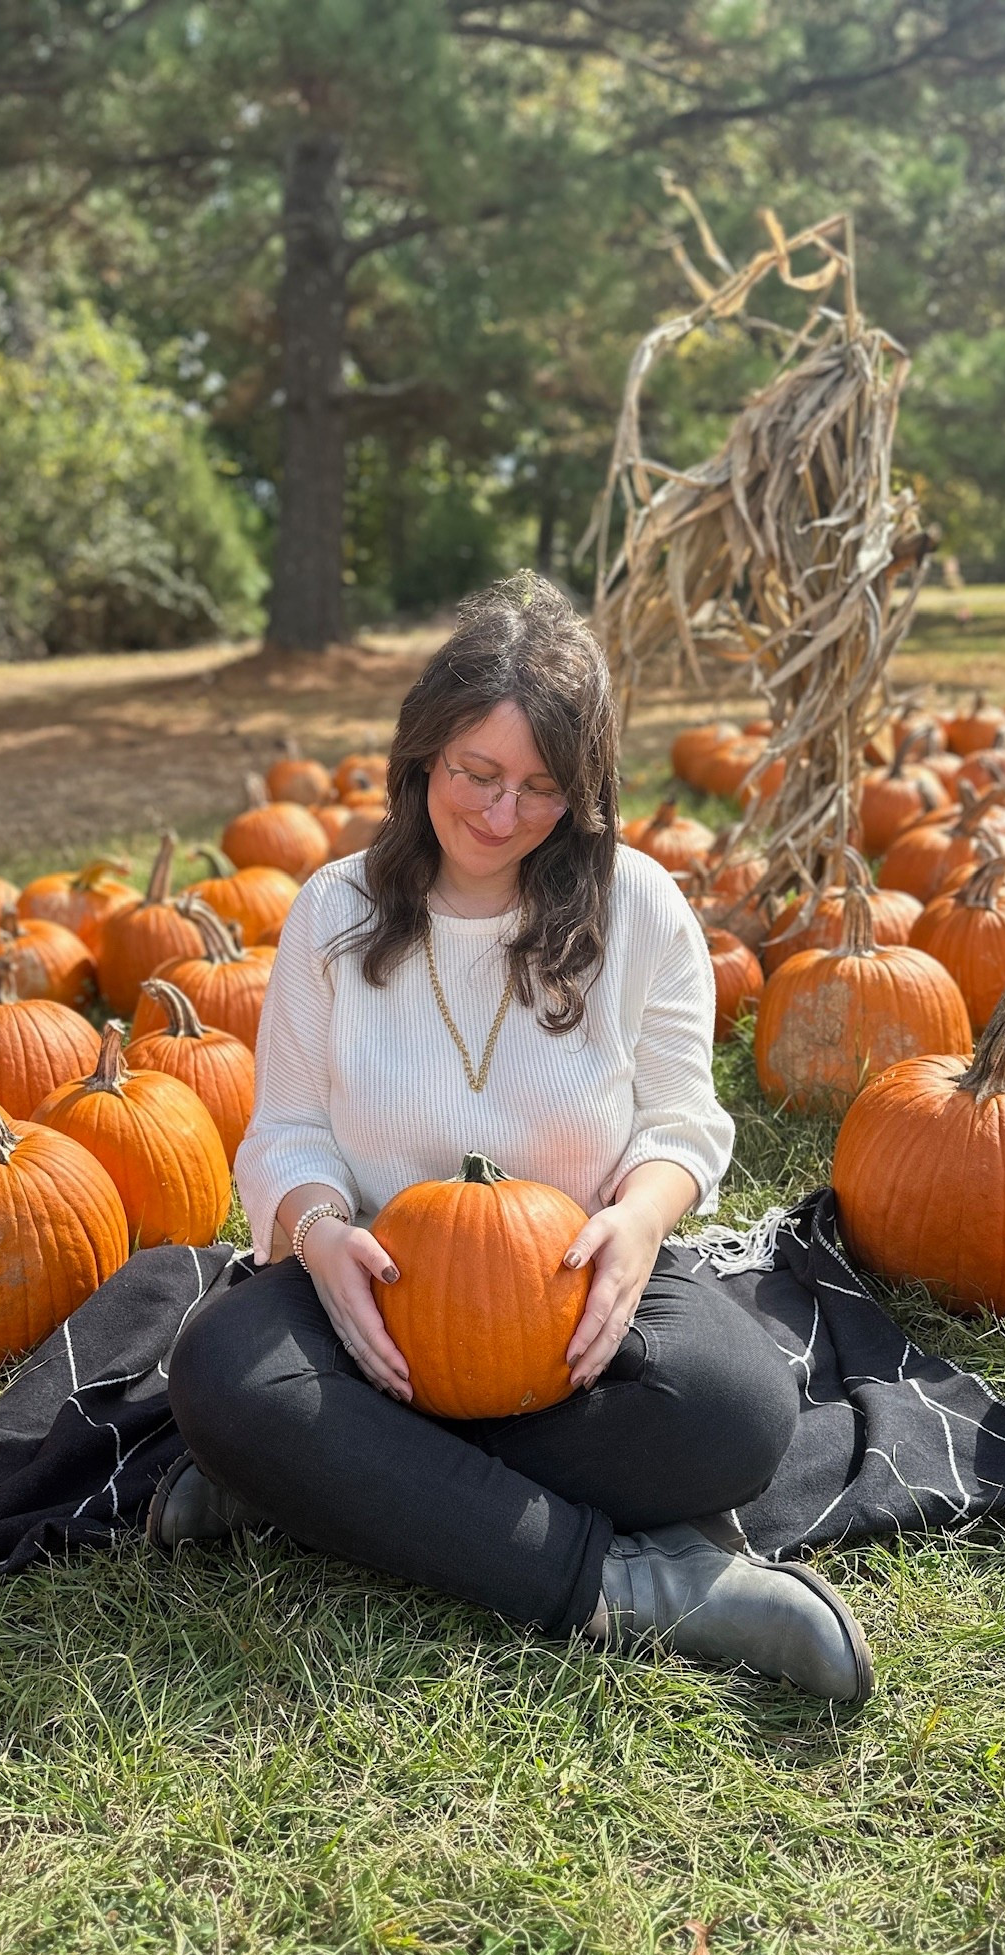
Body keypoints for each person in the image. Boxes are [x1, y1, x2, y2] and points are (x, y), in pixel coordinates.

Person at [152, 572, 872, 1703]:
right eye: (477, 774)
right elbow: (284, 1130)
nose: (500, 814)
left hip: (569, 1293)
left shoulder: (637, 906)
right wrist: (319, 1229)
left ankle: (322, 1482)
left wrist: (639, 1223)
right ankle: (634, 1589)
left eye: (542, 789)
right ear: (422, 757)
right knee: (221, 1370)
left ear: (585, 791)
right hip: (377, 1307)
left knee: (739, 1410)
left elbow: (684, 1121)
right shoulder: (334, 913)